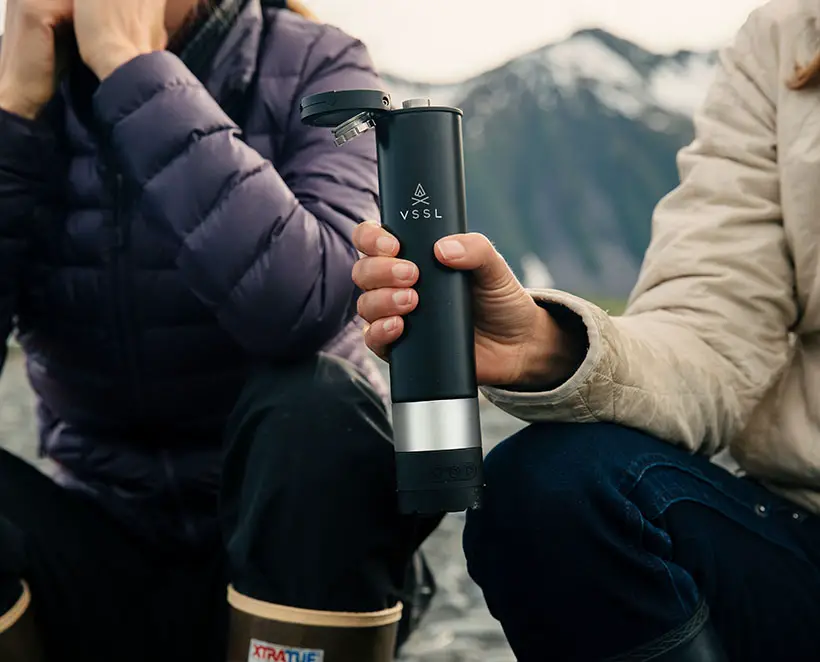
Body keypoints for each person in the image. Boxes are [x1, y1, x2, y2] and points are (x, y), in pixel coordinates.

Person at [351, 0, 820, 659]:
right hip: (803, 540)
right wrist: (546, 344)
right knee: (550, 488)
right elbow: (713, 332)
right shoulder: (790, 38)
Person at [0, 1, 440, 661]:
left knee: (315, 404)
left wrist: (135, 73)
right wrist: (12, 120)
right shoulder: (23, 85)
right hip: (100, 545)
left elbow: (306, 302)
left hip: (294, 551)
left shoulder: (324, 63)